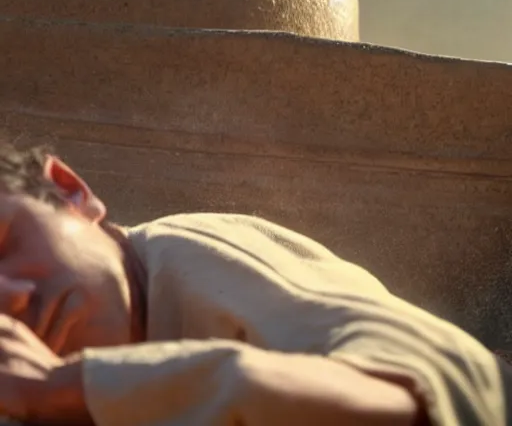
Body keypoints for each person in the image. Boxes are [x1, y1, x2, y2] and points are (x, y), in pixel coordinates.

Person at [0, 141, 507, 426]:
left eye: (5, 244)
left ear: (69, 192)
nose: (9, 298)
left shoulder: (191, 254)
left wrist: (66, 387)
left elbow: (406, 403)